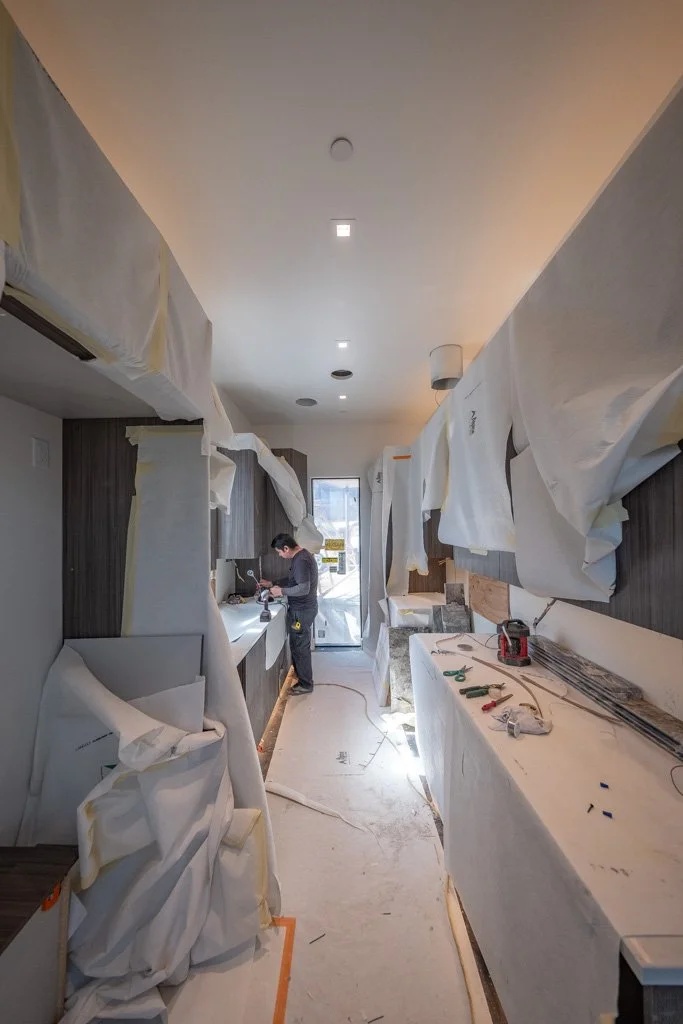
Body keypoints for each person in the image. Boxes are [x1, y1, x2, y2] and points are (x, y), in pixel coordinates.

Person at [260, 533, 319, 695]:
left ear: (286, 548)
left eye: (279, 552)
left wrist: (281, 591)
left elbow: (303, 588)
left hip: (302, 612)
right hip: (303, 609)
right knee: (298, 645)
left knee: (300, 647)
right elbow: (293, 579)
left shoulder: (301, 560)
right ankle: (302, 678)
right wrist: (273, 583)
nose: (280, 555)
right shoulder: (301, 557)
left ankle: (305, 684)